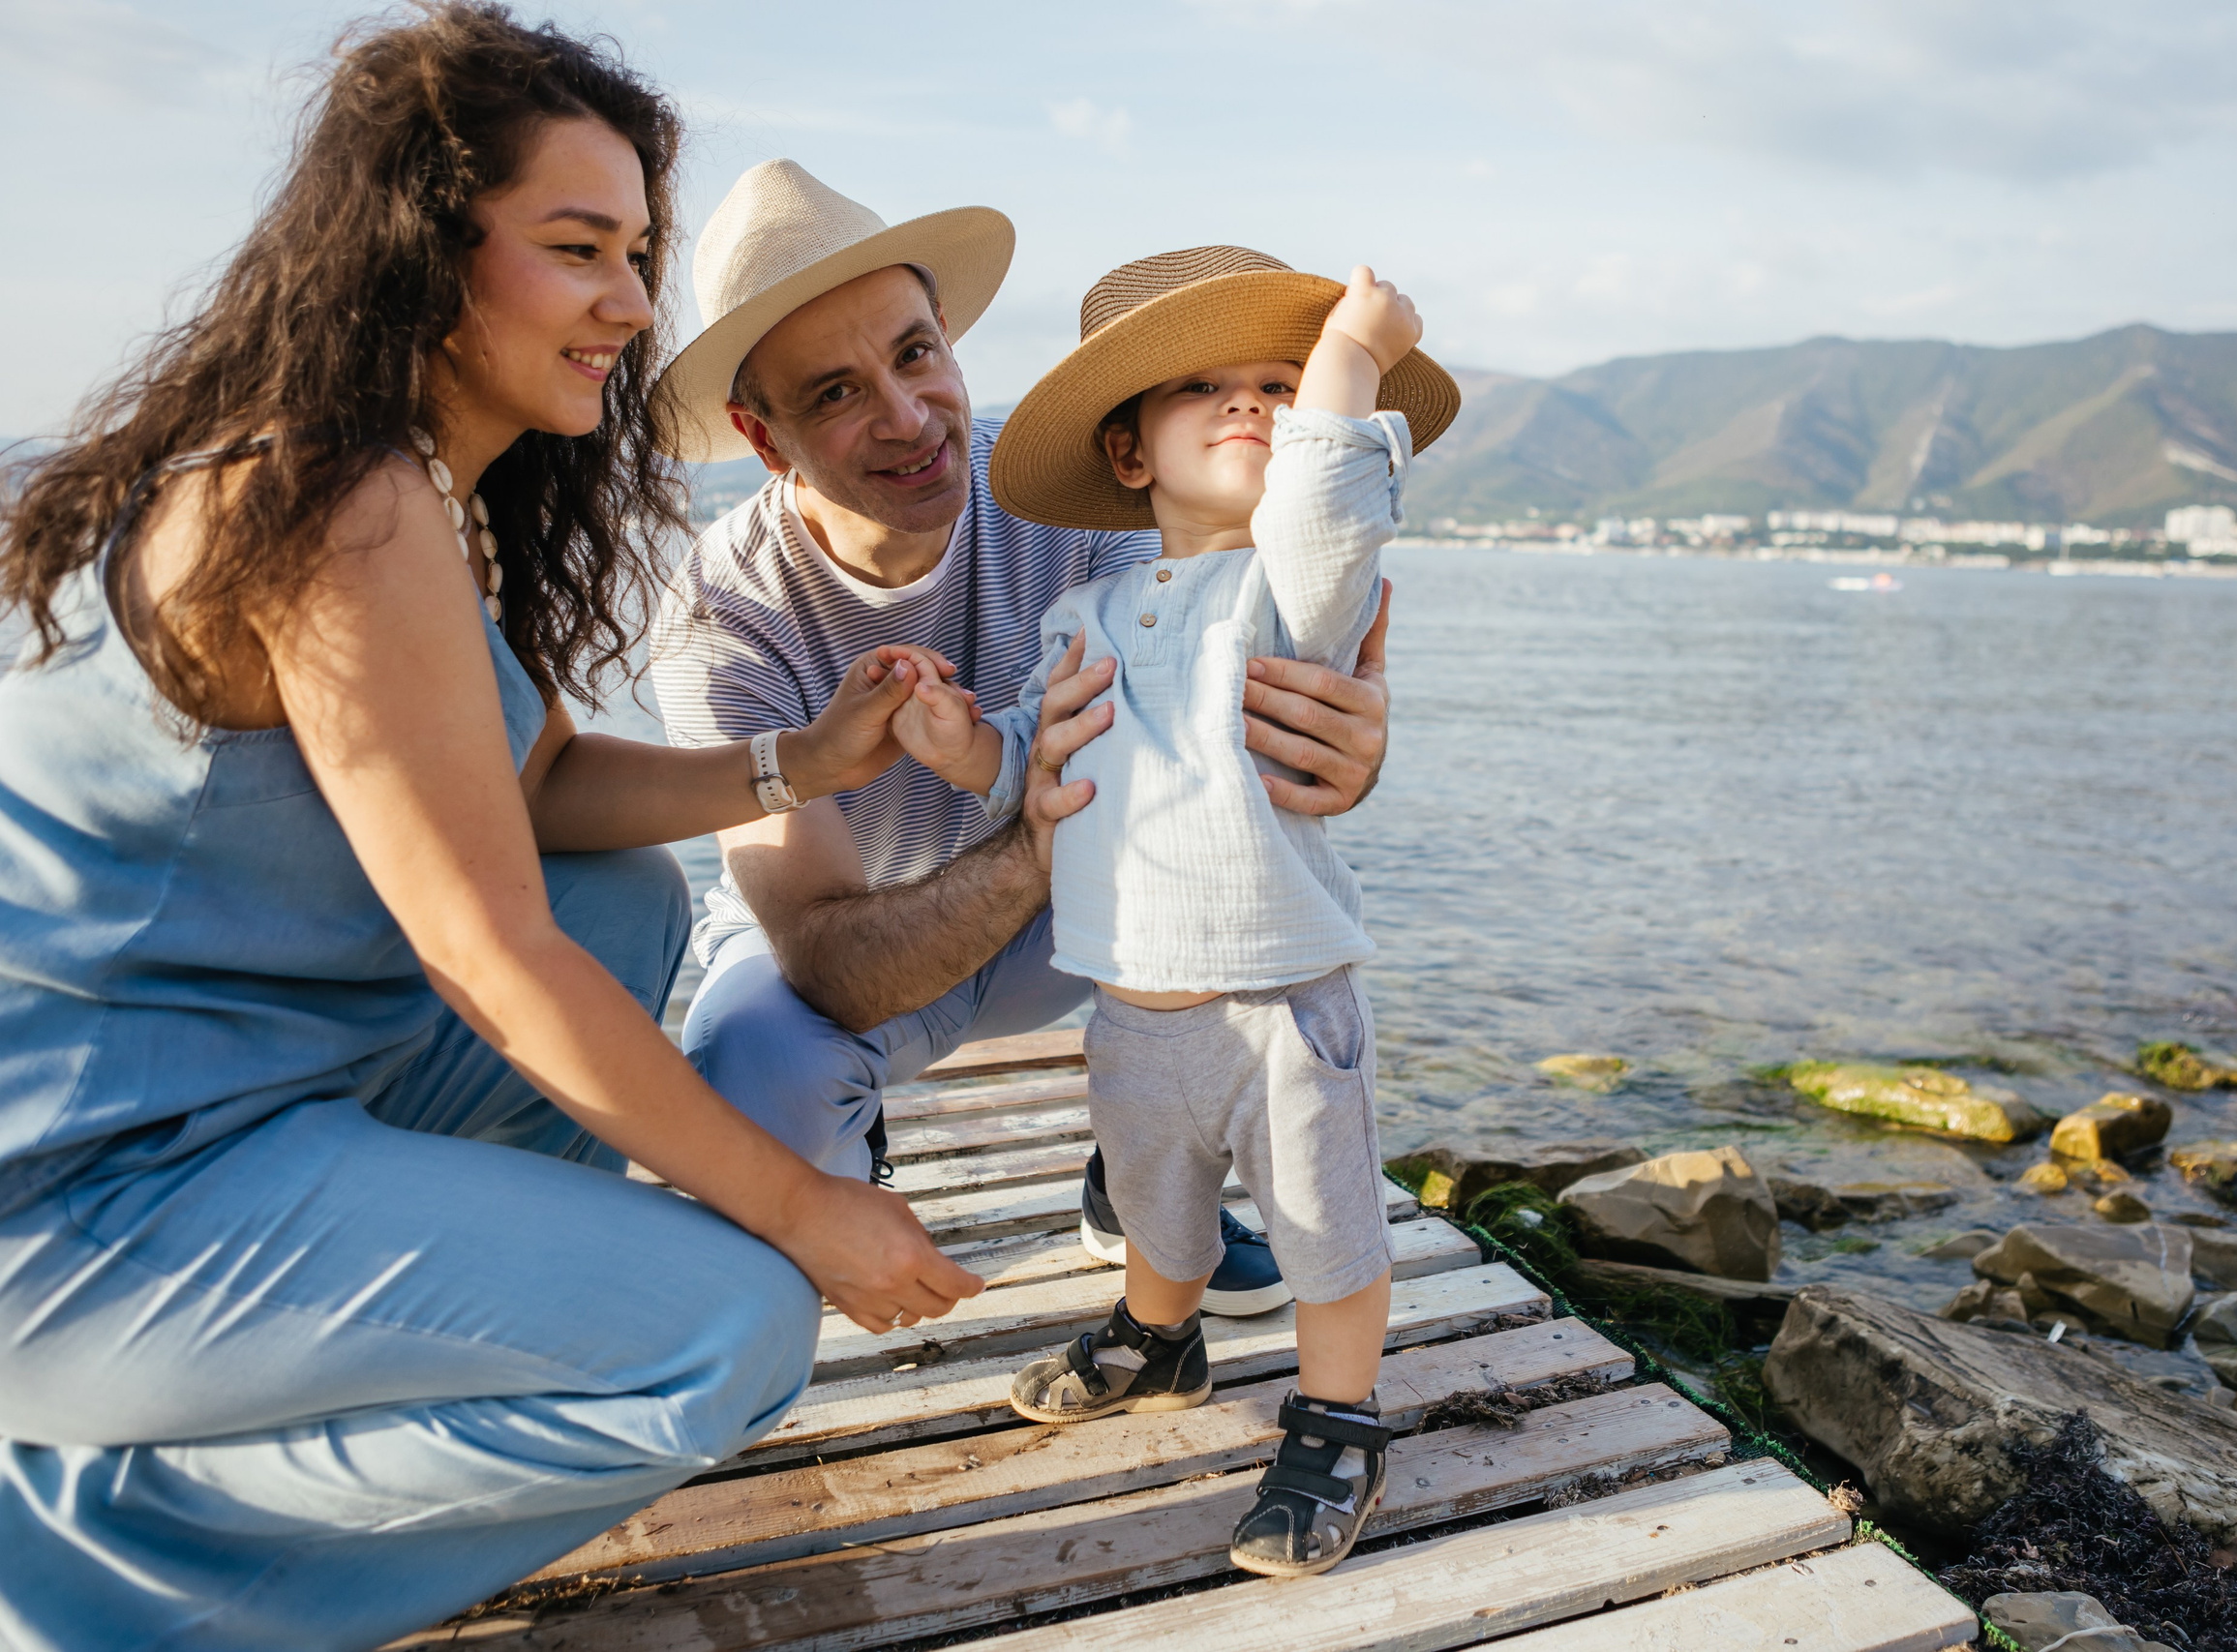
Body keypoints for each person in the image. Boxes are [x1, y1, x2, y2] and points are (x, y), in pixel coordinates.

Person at [0, 10, 1019, 1646]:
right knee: (731, 1333)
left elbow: (540, 794)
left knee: (627, 905)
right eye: (577, 248)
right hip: (70, 1192)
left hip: (217, 1087)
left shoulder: (411, 490)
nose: (629, 299)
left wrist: (802, 764)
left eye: (635, 250)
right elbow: (483, 950)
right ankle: (73, 1558)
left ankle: (367, 1341)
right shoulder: (341, 503)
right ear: (423, 252)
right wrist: (800, 1203)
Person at [647, 165, 1398, 1315]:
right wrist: (1039, 827)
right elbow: (831, 967)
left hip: (1084, 915)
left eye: (911, 356)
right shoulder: (719, 617)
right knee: (753, 1085)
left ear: (947, 339)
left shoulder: (1075, 488)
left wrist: (1331, 746)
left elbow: (1246, 649)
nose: (906, 420)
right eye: (838, 392)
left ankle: (1141, 1171)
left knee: (1240, 908)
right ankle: (865, 1140)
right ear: (761, 434)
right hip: (862, 937)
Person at [911, 245, 1456, 1577]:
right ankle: (1161, 1340)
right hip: (1130, 1002)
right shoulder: (1085, 606)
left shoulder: (1290, 593)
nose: (1253, 404)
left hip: (1278, 1000)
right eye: (1204, 387)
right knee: (1158, 1208)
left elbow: (1329, 493)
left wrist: (1355, 351)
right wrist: (956, 743)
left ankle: (1337, 1416)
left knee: (1327, 1227)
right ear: (1129, 455)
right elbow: (1034, 758)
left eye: (1277, 384)